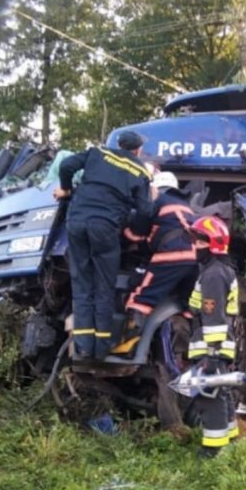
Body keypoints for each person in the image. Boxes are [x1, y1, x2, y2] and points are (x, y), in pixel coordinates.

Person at [53, 130, 153, 361]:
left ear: (118, 144)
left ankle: (84, 347)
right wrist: (134, 228)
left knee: (82, 283)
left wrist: (66, 189)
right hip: (105, 229)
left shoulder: (98, 153)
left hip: (77, 222)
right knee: (104, 286)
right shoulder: (140, 170)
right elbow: (146, 211)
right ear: (138, 150)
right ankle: (100, 349)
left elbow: (66, 165)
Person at [112, 171, 200, 356]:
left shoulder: (156, 201)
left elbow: (137, 232)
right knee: (187, 304)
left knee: (141, 299)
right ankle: (192, 342)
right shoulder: (185, 206)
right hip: (193, 260)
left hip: (170, 257)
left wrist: (124, 231)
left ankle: (127, 347)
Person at [187, 216, 240, 456]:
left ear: (213, 244)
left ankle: (214, 450)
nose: (194, 246)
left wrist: (212, 355)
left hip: (213, 346)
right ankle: (230, 442)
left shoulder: (213, 275)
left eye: (199, 241)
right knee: (222, 391)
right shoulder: (219, 271)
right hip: (218, 344)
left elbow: (213, 316)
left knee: (210, 394)